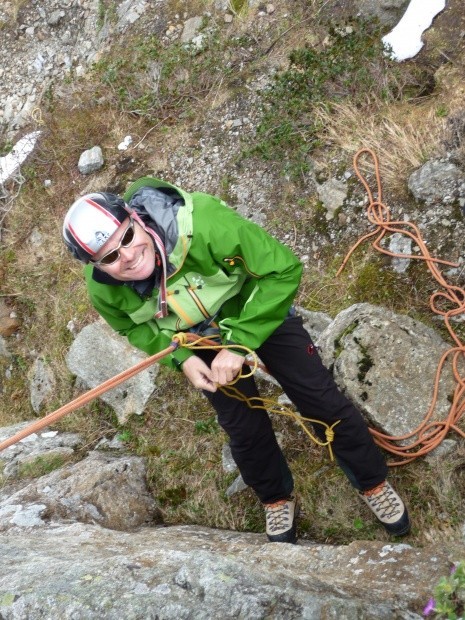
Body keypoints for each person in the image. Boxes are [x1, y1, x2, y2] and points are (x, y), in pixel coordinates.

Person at [63, 177, 411, 543]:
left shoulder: (204, 225)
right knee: (243, 427)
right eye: (111, 258)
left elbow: (283, 269)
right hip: (196, 337)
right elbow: (133, 328)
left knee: (319, 398)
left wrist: (240, 342)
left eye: (128, 237)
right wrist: (181, 358)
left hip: (254, 307)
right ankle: (275, 497)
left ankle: (372, 482)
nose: (129, 256)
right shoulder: (102, 289)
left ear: (135, 218)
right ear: (95, 265)